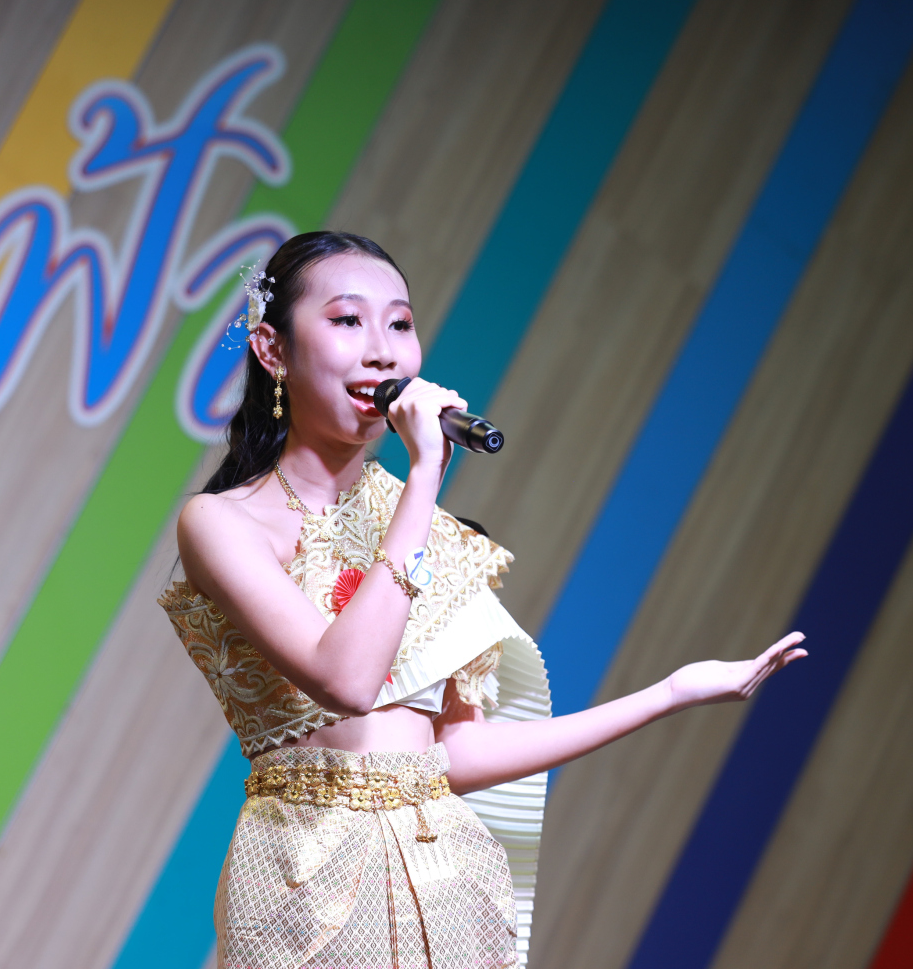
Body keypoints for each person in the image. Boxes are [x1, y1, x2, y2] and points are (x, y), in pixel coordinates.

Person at [160, 231, 806, 969]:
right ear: (273, 351)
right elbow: (345, 680)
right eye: (347, 320)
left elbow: (457, 754)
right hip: (302, 877)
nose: (383, 351)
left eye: (400, 324)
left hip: (443, 877)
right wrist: (425, 474)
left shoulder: (428, 529)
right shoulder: (222, 523)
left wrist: (669, 693)